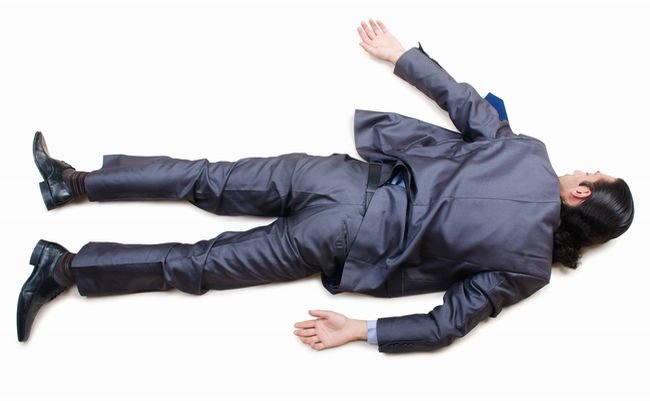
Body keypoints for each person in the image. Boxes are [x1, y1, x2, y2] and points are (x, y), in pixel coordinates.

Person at [18, 19, 634, 353]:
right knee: (200, 264)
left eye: (589, 173)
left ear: (581, 194)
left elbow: (465, 103)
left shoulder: (528, 154)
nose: (580, 169)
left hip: (340, 177)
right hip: (340, 240)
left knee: (206, 177)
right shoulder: (527, 271)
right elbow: (447, 324)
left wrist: (401, 55)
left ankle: (71, 182)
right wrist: (360, 330)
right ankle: (65, 268)